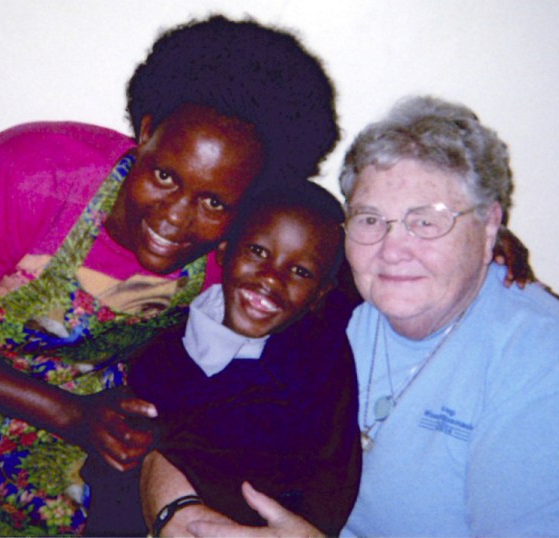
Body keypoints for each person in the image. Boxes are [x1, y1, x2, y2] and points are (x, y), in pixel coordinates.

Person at [0, 15, 340, 536]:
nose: (174, 220)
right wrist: (70, 414)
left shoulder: (237, 256)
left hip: (86, 431)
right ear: (146, 130)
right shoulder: (32, 176)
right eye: (164, 175)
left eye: (214, 201)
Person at [187, 96, 559, 537]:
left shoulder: (546, 369)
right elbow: (189, 420)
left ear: (490, 227)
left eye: (427, 220)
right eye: (371, 219)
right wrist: (174, 511)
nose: (392, 249)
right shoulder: (328, 308)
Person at [82, 182, 361, 537]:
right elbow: (119, 467)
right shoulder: (158, 352)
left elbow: (332, 475)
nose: (271, 278)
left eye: (301, 272)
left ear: (318, 295)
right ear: (224, 252)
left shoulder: (319, 361)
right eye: (258, 251)